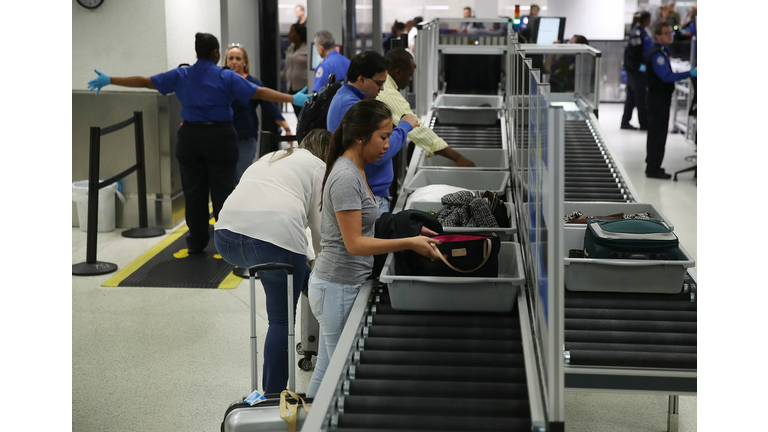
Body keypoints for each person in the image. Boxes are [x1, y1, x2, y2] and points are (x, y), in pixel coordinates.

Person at [87, 32, 311, 254]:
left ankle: (196, 241)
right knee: (223, 190)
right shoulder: (226, 77)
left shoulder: (182, 74)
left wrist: (110, 79)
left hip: (190, 137)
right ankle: (226, 241)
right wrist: (292, 98)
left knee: (194, 191)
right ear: (216, 53)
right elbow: (258, 92)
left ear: (197, 52)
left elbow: (146, 82)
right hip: (220, 137)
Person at [305, 100, 443, 398]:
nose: (387, 145)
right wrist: (410, 242)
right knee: (338, 371)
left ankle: (310, 415)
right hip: (337, 286)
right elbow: (355, 244)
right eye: (383, 137)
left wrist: (410, 229)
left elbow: (367, 226)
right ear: (360, 137)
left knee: (328, 368)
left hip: (341, 283)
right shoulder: (346, 176)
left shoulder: (356, 168)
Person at [214, 129, 331, 393]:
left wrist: (308, 261)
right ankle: (272, 396)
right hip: (273, 241)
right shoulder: (320, 167)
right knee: (280, 321)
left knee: (299, 272)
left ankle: (306, 285)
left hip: (226, 239)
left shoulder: (272, 156)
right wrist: (324, 271)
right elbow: (319, 229)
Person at [326, 50, 420, 215]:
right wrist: (404, 127)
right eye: (379, 83)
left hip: (372, 194)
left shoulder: (353, 100)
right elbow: (379, 151)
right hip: (369, 197)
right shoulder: (351, 107)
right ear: (361, 79)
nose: (382, 88)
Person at [377, 48, 475, 175]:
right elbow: (417, 130)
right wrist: (457, 158)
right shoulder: (388, 93)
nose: (410, 79)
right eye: (409, 74)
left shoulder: (386, 86)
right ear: (398, 72)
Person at [223, 43, 292, 183]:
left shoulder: (253, 83)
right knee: (225, 178)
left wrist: (286, 128)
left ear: (245, 62)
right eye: (231, 58)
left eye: (238, 58)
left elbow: (270, 107)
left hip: (245, 136)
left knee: (241, 176)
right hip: (223, 137)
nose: (234, 62)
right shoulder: (222, 82)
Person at [644, 22, 696, 179]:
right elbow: (666, 77)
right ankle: (652, 168)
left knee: (658, 134)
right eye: (666, 33)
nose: (670, 36)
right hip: (657, 100)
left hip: (660, 99)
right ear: (658, 36)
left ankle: (654, 165)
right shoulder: (657, 55)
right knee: (657, 135)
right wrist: (689, 73)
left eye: (671, 33)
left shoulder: (662, 51)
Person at [621, 11, 654, 131]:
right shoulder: (637, 33)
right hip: (636, 69)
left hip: (638, 67)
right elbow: (634, 52)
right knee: (641, 96)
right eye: (649, 19)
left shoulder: (642, 31)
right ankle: (644, 123)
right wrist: (639, 65)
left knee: (631, 96)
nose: (650, 22)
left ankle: (625, 121)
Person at [282, 24, 309, 115]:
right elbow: (287, 67)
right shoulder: (290, 48)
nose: (289, 34)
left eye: (292, 32)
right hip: (291, 88)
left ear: (299, 35)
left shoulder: (307, 49)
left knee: (304, 115)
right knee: (298, 115)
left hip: (304, 88)